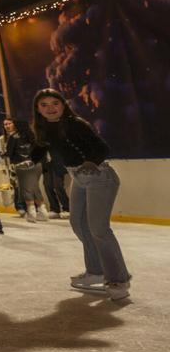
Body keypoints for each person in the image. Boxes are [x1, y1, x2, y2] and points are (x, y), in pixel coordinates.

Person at [32, 89, 131, 301]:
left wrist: (90, 161)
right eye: (44, 105)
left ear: (63, 104)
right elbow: (39, 150)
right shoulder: (46, 129)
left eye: (54, 103)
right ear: (38, 110)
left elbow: (102, 148)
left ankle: (118, 279)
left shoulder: (75, 123)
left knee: (99, 229)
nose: (50, 108)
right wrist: (30, 157)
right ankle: (96, 271)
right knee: (78, 224)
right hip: (78, 178)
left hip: (99, 176)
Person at [4, 117, 49, 223]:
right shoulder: (33, 136)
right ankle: (43, 211)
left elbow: (9, 153)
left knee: (26, 189)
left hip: (22, 165)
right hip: (36, 165)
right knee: (34, 187)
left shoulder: (13, 137)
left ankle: (32, 212)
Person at [0, 124, 24, 218]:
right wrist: (3, 167)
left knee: (24, 185)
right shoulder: (2, 139)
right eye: (5, 124)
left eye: (9, 124)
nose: (7, 126)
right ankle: (19, 207)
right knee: (15, 186)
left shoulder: (20, 136)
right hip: (10, 166)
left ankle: (29, 206)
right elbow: (1, 153)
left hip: (21, 164)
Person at [43, 155, 71, 220]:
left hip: (58, 160)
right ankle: (54, 209)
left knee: (58, 184)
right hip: (46, 161)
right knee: (47, 184)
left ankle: (67, 208)